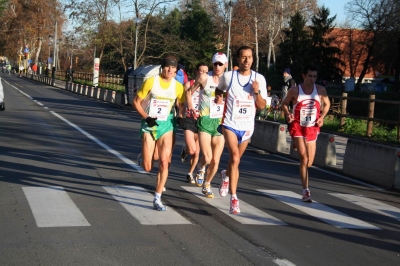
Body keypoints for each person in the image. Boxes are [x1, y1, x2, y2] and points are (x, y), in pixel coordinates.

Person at [215, 46, 267, 214]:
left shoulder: (259, 79)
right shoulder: (229, 76)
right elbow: (219, 89)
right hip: (230, 124)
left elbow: (261, 106)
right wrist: (218, 97)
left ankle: (226, 175)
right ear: (238, 59)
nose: (247, 60)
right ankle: (234, 198)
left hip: (246, 127)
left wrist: (256, 92)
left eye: (250, 57)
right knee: (235, 157)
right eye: (243, 57)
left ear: (253, 59)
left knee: (235, 161)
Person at [133, 55, 185, 211]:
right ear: (163, 67)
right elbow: (136, 101)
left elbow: (181, 105)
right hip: (150, 123)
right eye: (168, 67)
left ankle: (157, 198)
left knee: (163, 161)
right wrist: (146, 117)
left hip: (166, 124)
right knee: (148, 166)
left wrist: (181, 115)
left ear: (176, 70)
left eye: (173, 68)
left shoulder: (178, 86)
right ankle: (143, 157)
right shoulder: (151, 81)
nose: (170, 70)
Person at [281, 64, 330, 202]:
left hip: (312, 127)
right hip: (297, 125)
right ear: (304, 76)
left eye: (314, 76)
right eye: (310, 76)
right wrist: (288, 113)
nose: (312, 79)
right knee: (304, 158)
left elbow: (327, 104)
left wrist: (322, 117)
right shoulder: (295, 91)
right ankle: (306, 191)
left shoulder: (320, 90)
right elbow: (284, 104)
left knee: (309, 161)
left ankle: (296, 145)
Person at [186, 52, 227, 198]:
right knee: (208, 158)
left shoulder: (228, 81)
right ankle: (201, 166)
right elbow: (188, 93)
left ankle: (207, 184)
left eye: (220, 64)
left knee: (216, 160)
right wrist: (191, 108)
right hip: (205, 121)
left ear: (225, 65)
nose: (217, 66)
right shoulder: (205, 78)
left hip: (220, 123)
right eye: (215, 63)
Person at [180, 62, 209, 184]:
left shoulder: (209, 85)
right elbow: (182, 101)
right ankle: (185, 150)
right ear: (196, 72)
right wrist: (181, 114)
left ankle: (190, 173)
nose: (203, 74)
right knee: (192, 150)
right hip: (190, 118)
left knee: (197, 151)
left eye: (206, 72)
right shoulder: (189, 84)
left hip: (202, 119)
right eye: (201, 71)